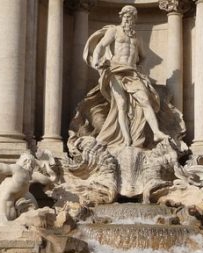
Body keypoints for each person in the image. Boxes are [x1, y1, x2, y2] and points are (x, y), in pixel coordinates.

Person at [69, 5, 185, 150]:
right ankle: (126, 139)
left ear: (134, 19)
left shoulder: (136, 37)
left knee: (145, 100)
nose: (127, 19)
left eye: (130, 17)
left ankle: (156, 132)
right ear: (121, 17)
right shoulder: (114, 31)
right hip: (115, 70)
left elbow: (142, 56)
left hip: (131, 72)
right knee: (121, 105)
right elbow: (101, 46)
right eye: (125, 16)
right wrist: (96, 61)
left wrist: (140, 69)